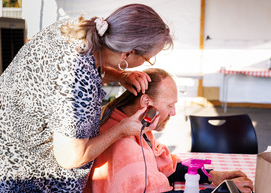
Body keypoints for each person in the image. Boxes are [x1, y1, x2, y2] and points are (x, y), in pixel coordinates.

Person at [0, 4, 173, 192]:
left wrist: (119, 75)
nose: (144, 64)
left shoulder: (74, 30)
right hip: (10, 171)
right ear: (128, 53)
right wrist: (121, 129)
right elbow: (71, 157)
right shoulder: (78, 80)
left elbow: (67, 74)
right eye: (148, 59)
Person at [85, 68, 254, 193]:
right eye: (170, 105)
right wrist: (223, 190)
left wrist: (211, 176)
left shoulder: (129, 123)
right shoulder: (126, 147)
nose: (173, 112)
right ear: (146, 103)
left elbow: (167, 167)